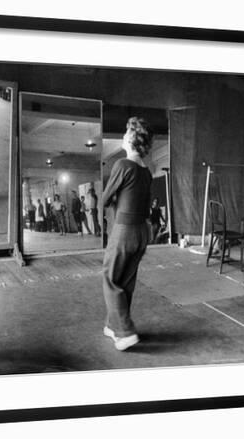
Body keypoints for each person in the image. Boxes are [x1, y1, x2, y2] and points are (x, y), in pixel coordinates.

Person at [101, 117, 153, 351]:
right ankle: (114, 327)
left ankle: (126, 331)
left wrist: (113, 199)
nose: (122, 136)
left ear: (132, 139)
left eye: (125, 132)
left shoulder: (122, 165)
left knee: (110, 279)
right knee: (126, 282)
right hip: (142, 232)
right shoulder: (146, 171)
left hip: (125, 231)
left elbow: (104, 198)